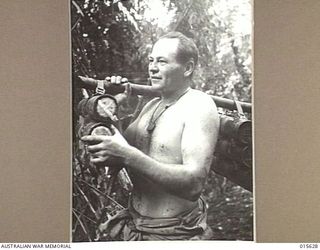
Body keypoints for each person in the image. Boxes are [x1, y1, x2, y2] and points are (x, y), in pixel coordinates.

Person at [81, 31, 220, 240]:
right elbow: (115, 151)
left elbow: (194, 184)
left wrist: (128, 155)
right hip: (135, 226)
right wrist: (113, 104)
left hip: (173, 235)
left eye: (162, 61)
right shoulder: (152, 105)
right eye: (151, 60)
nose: (152, 67)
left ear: (188, 68)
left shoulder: (198, 106)